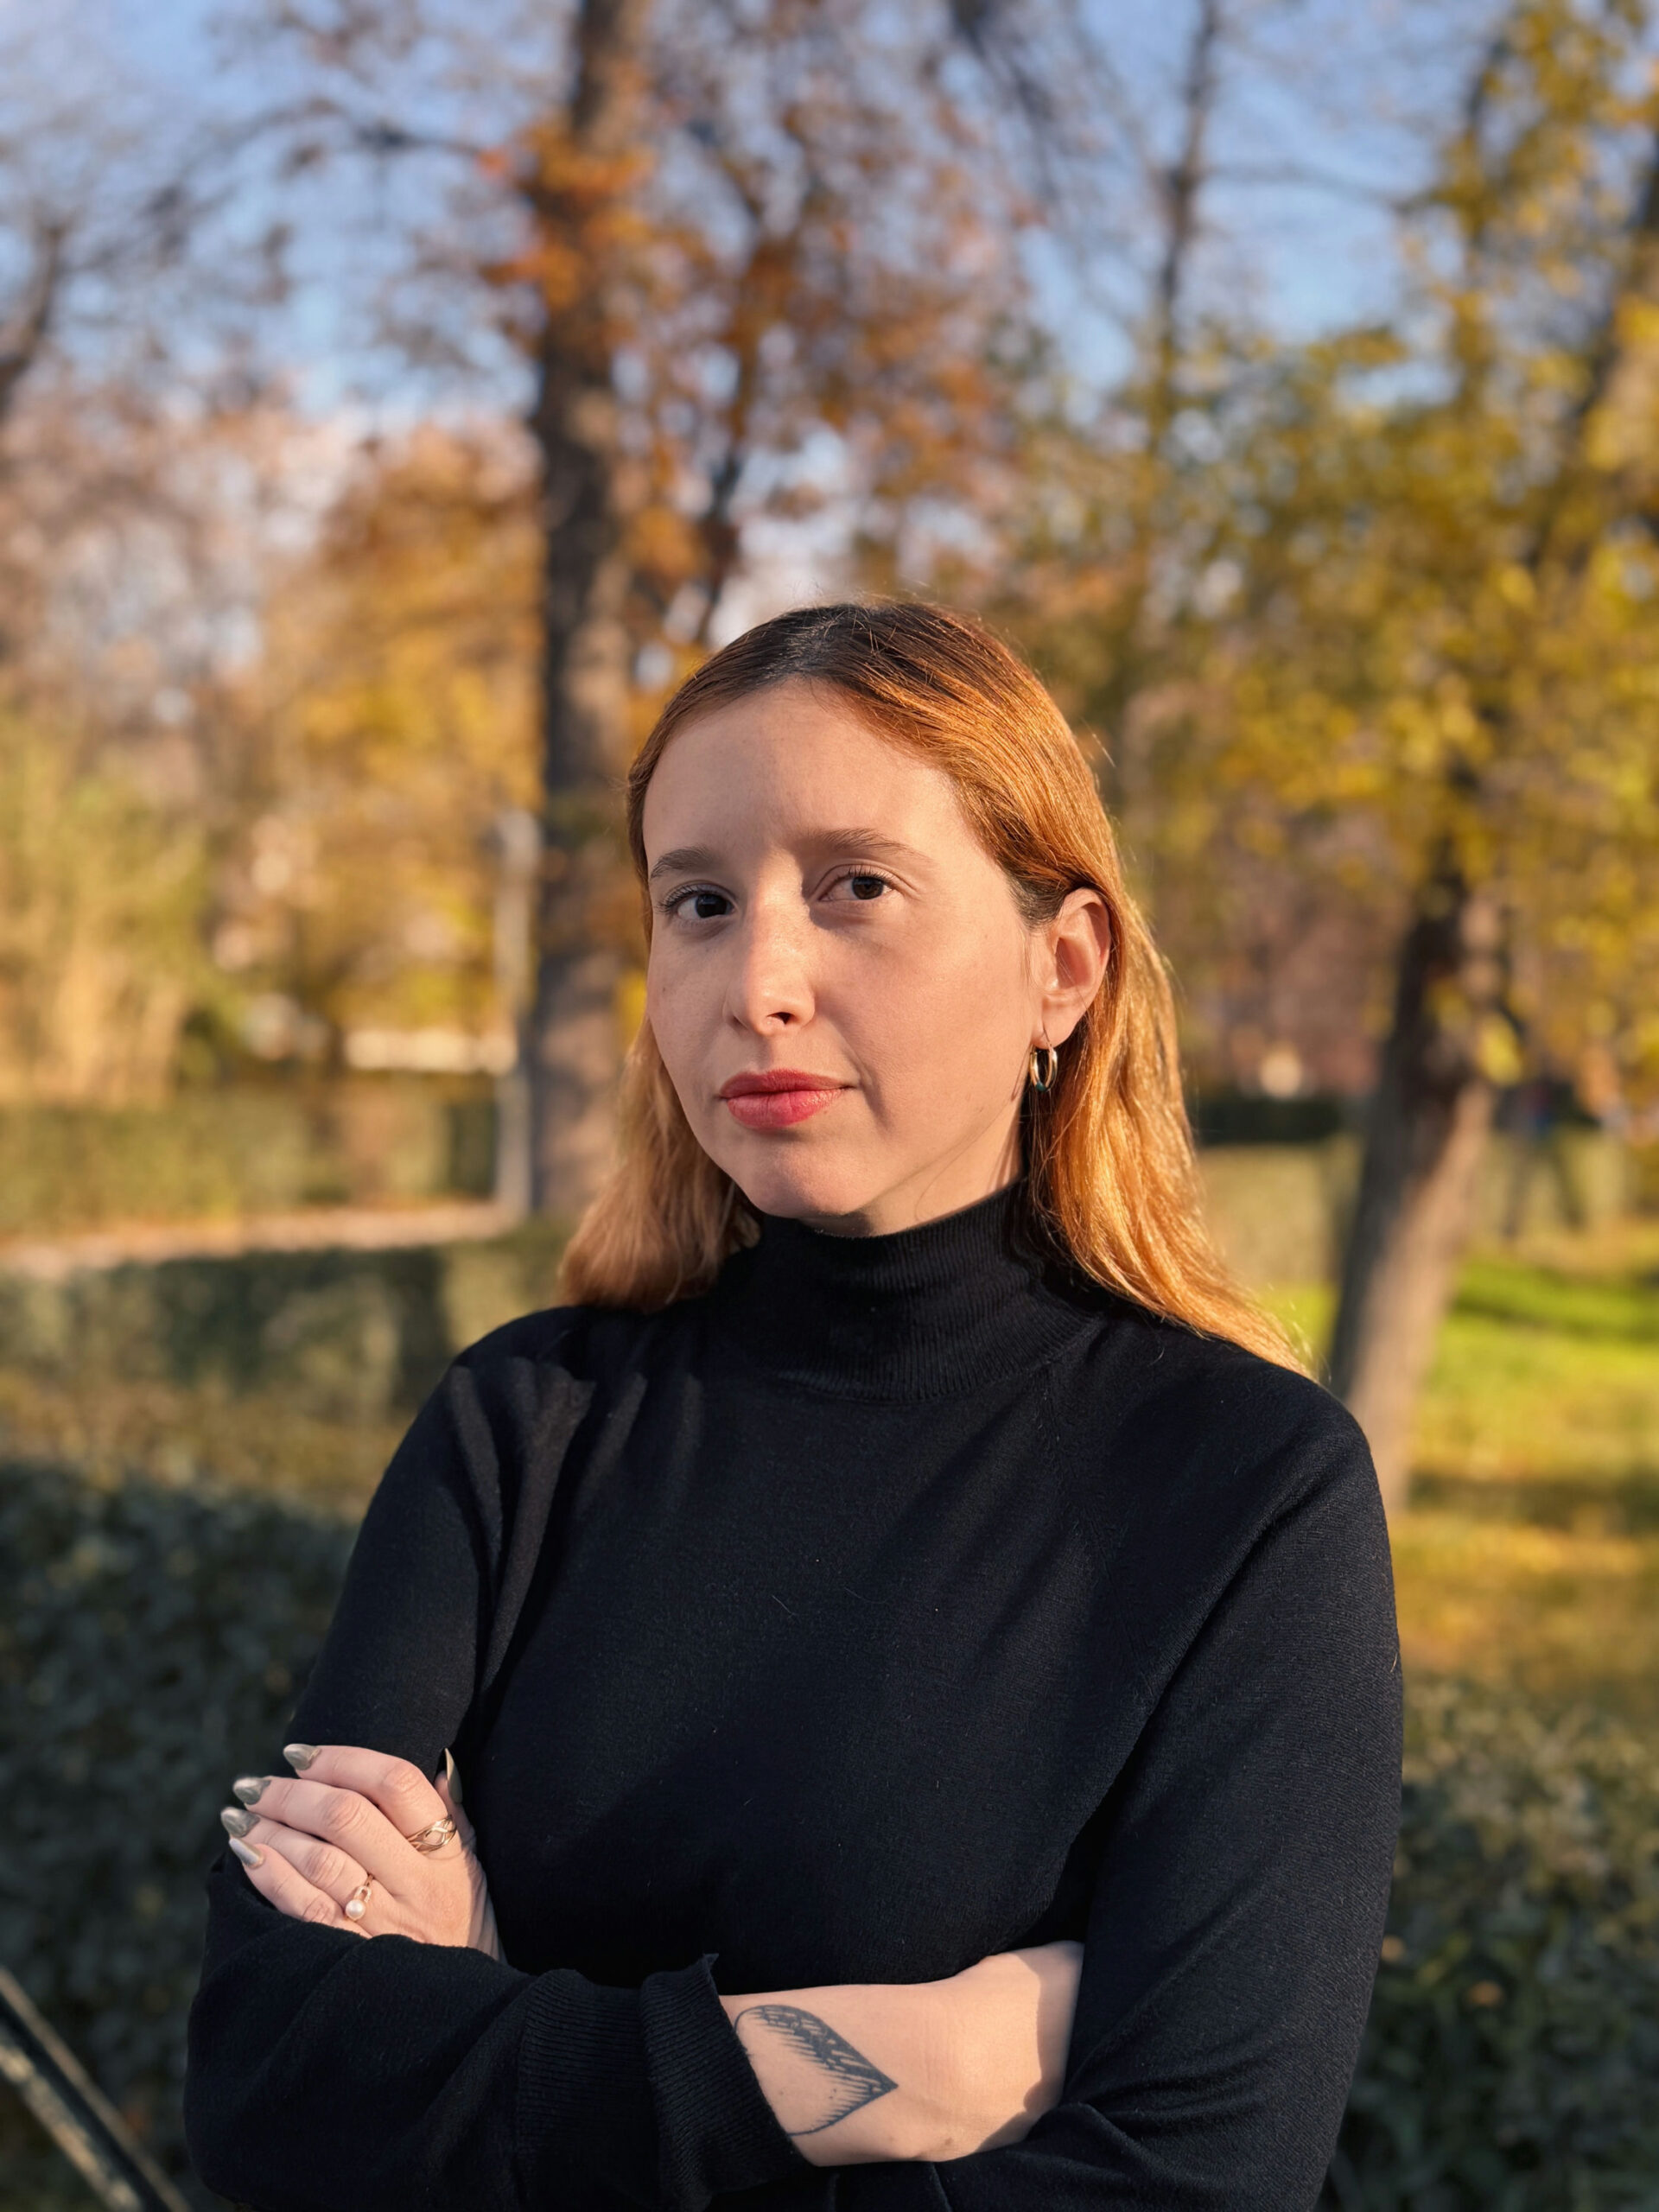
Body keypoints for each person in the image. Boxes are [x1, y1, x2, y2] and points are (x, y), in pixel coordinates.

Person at [184, 600, 1401, 2211]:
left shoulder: (1241, 1492)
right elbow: (270, 2096)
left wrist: (488, 2015)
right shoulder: (522, 1427)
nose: (757, 981)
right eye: (698, 902)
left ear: (1063, 966)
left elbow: (1195, 2189)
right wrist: (895, 2070)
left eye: (857, 888)